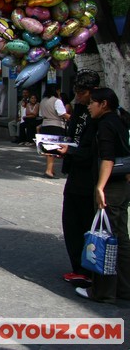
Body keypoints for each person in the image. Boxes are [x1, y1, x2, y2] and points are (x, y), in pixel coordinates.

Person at [72, 88, 130, 302]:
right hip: (122, 187)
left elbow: (108, 158)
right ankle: (124, 288)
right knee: (121, 239)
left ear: (103, 104)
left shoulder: (105, 125)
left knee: (105, 239)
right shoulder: (120, 120)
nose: (89, 106)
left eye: (92, 103)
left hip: (111, 189)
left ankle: (103, 291)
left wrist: (100, 187)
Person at [60, 70, 100, 285]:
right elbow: (73, 135)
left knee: (85, 223)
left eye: (82, 93)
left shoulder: (101, 118)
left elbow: (94, 150)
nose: (78, 97)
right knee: (71, 221)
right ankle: (80, 267)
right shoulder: (80, 110)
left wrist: (71, 152)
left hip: (89, 177)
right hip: (75, 172)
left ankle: (89, 270)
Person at [39, 86, 69, 178]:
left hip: (45, 125)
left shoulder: (43, 101)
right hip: (55, 125)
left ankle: (50, 169)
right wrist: (72, 118)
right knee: (52, 149)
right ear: (57, 91)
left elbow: (40, 114)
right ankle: (49, 171)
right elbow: (62, 113)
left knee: (48, 149)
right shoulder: (57, 101)